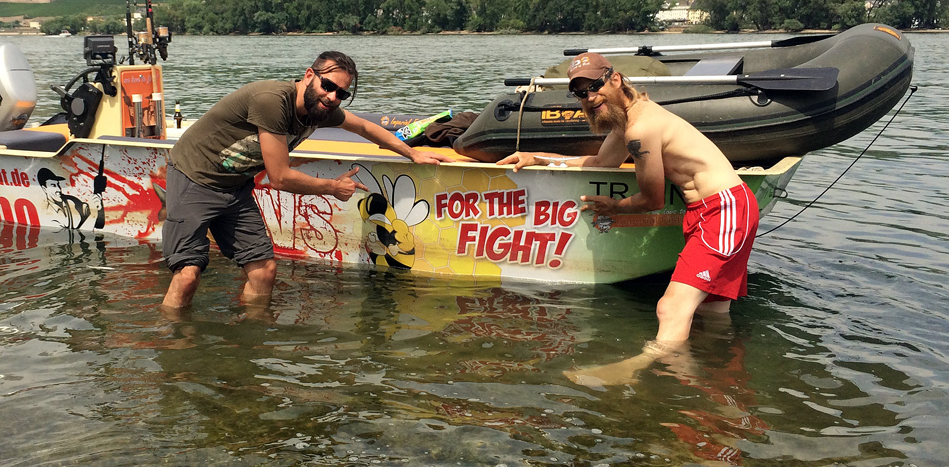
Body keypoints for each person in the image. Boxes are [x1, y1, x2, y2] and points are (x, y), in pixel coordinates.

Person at [497, 51, 760, 385]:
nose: (590, 98)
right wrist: (536, 158)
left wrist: (614, 207)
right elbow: (599, 164)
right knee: (711, 311)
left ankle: (640, 370)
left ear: (615, 79)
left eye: (595, 86)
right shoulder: (631, 117)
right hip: (722, 209)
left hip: (723, 212)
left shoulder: (640, 129)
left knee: (671, 308)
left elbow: (651, 200)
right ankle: (715, 385)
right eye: (580, 93)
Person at [161, 50, 452, 310]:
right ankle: (172, 347)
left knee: (264, 271)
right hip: (194, 177)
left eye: (342, 93)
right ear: (309, 76)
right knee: (188, 276)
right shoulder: (272, 101)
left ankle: (249, 342)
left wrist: (412, 154)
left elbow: (364, 127)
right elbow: (279, 177)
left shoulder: (321, 111)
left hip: (234, 187)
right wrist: (333, 187)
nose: (332, 97)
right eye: (328, 86)